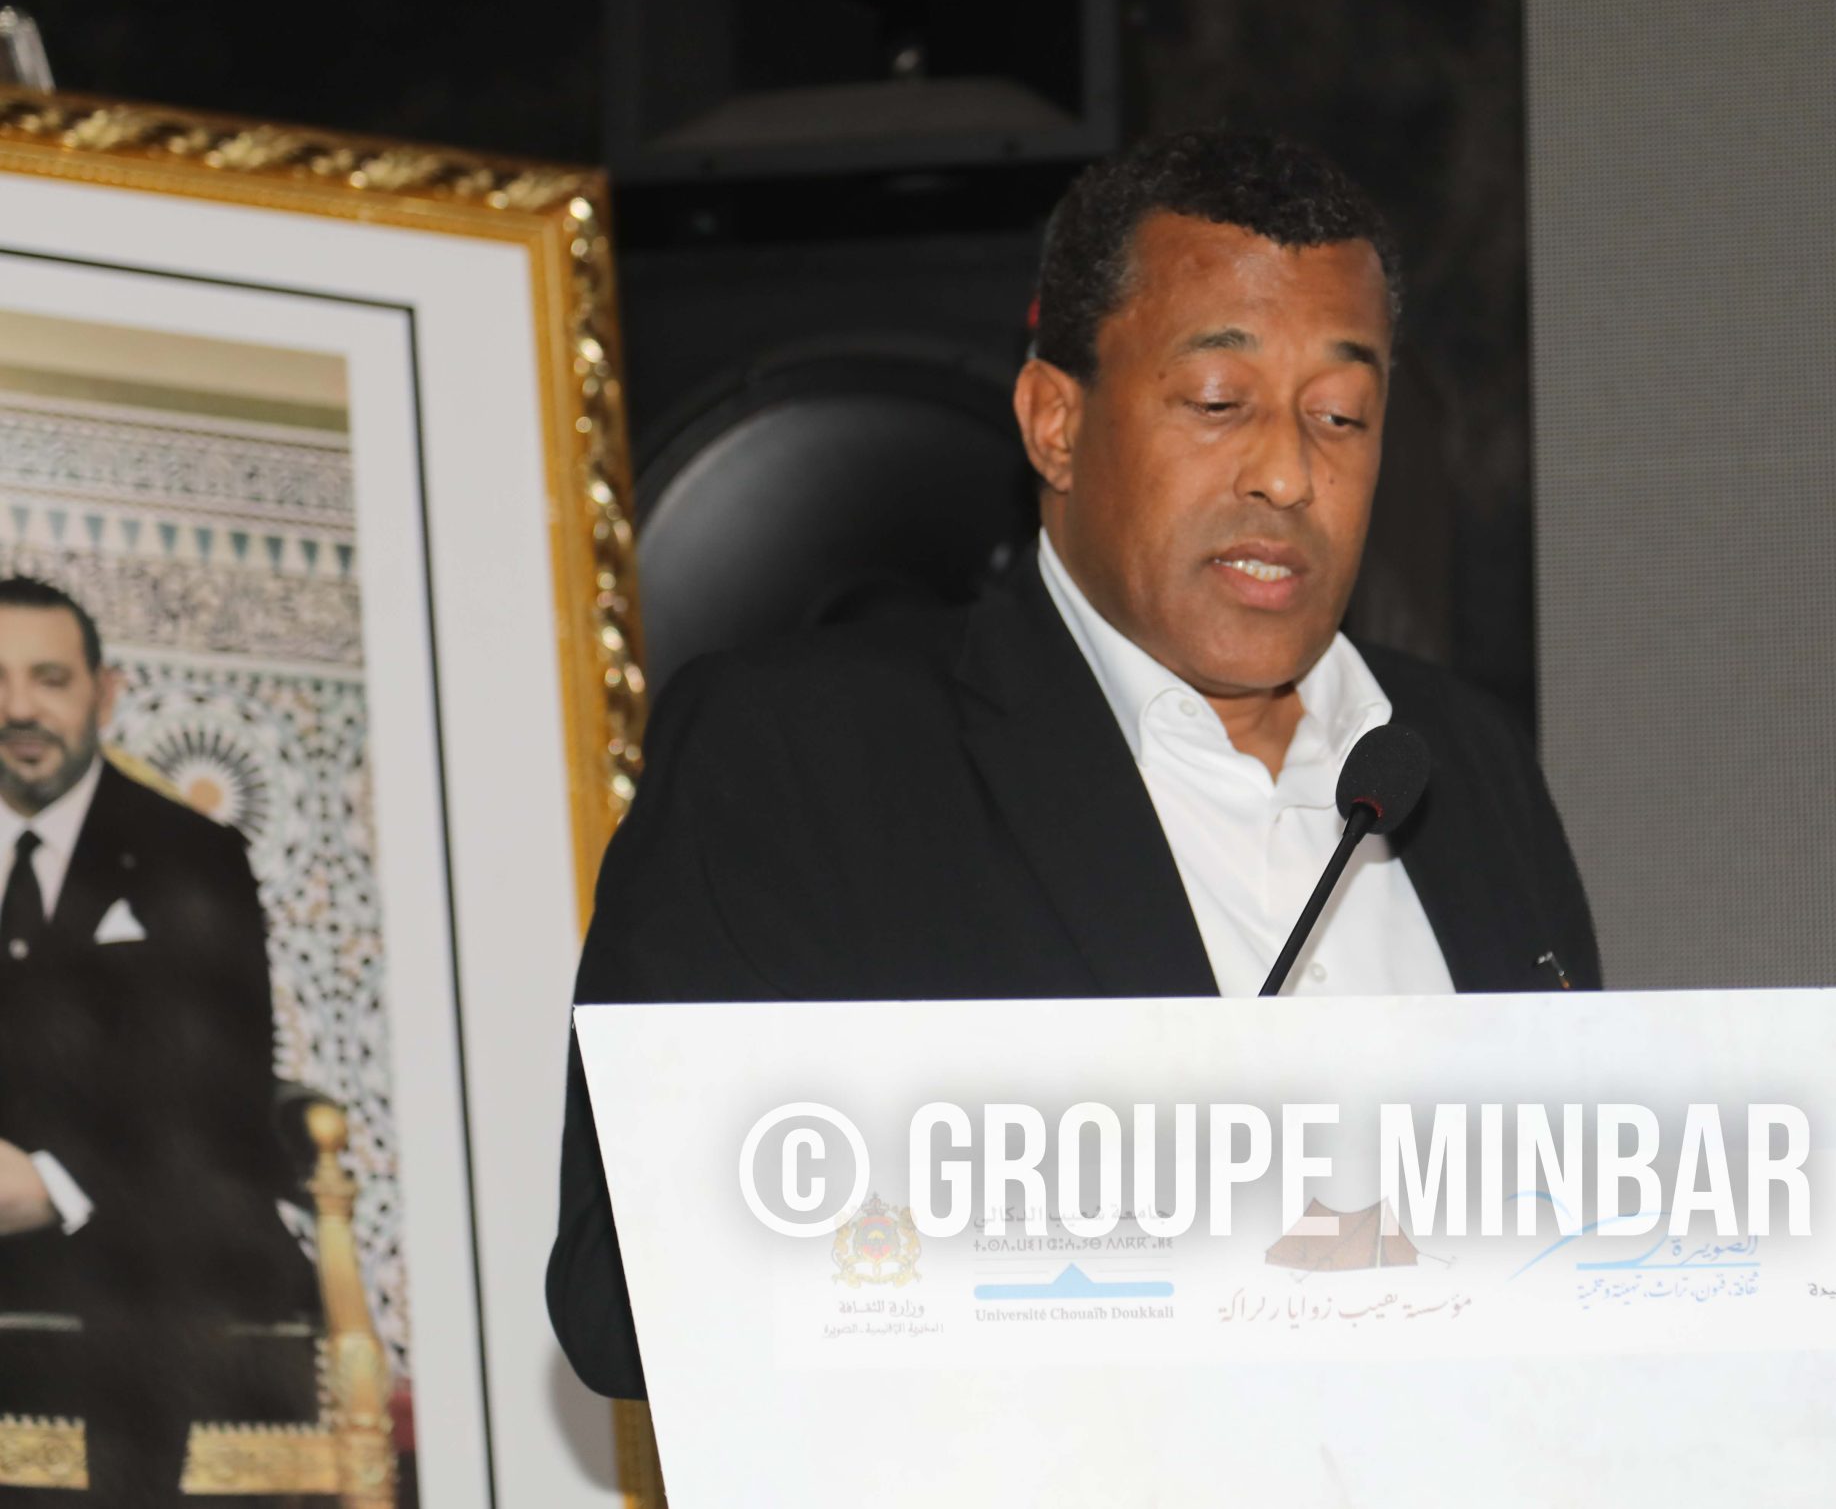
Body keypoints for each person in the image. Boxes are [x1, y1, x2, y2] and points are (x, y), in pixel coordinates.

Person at [547, 130, 1601, 1400]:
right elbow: (625, 1297)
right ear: (1055, 423)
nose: (1287, 472)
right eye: (1217, 403)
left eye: (1340, 416)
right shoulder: (806, 755)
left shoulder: (1455, 759)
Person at [0, 575, 307, 1504]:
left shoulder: (195, 858)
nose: (20, 707)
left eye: (50, 678)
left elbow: (222, 1085)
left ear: (106, 692)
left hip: (137, 1223)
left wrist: (52, 1181)